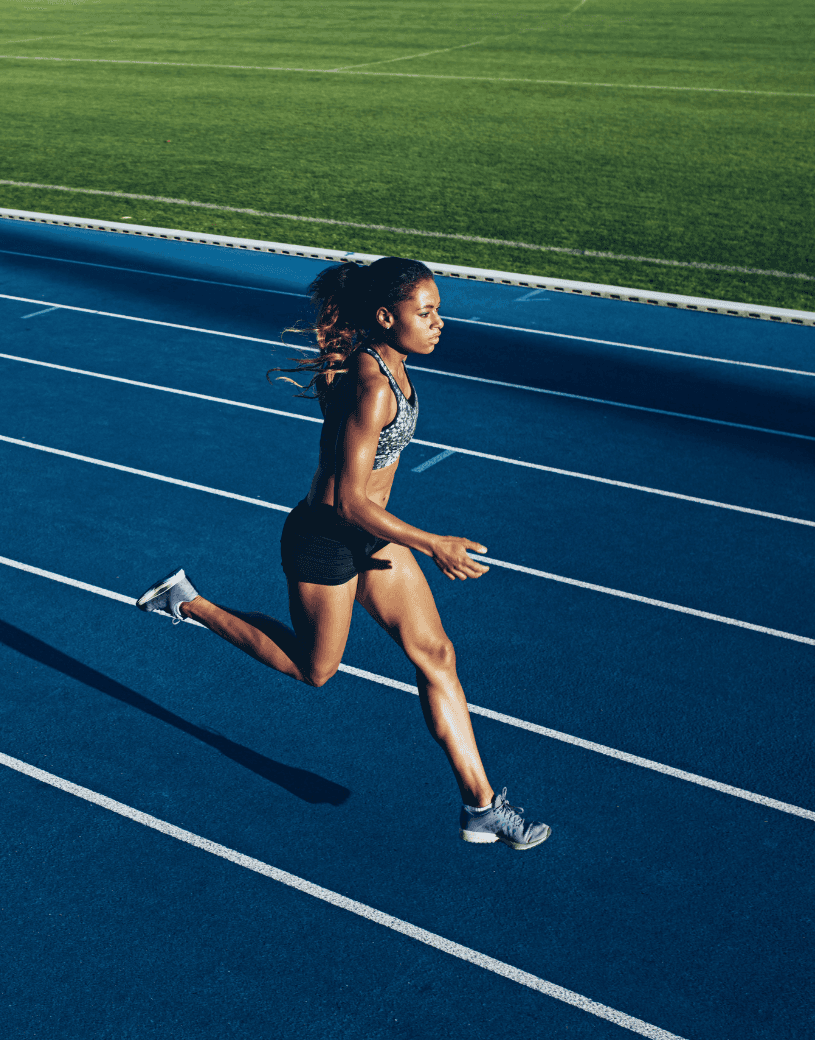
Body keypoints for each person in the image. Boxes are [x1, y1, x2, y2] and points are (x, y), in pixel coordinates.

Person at [136, 257, 549, 850]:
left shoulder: (383, 361)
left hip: (370, 536)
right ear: (387, 316)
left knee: (436, 654)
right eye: (425, 312)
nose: (439, 323)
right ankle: (188, 602)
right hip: (327, 541)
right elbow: (350, 501)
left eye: (438, 311)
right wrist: (433, 544)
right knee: (316, 670)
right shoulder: (375, 385)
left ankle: (481, 805)